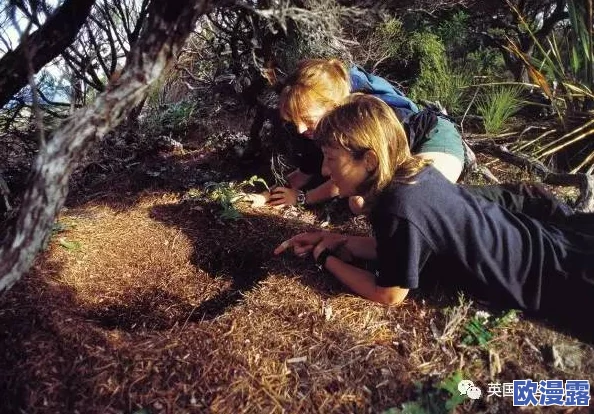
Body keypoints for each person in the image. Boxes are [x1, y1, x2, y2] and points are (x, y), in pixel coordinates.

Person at [274, 94, 594, 336]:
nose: (323, 170)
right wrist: (338, 239)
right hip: (550, 245)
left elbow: (387, 294)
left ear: (369, 161)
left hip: (559, 282)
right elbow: (407, 245)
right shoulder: (413, 176)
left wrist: (325, 260)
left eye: (331, 158)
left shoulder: (398, 206)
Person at [267, 59, 465, 212]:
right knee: (359, 202)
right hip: (397, 155)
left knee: (406, 200)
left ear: (332, 105)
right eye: (295, 121)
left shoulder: (359, 117)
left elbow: (346, 174)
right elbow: (302, 175)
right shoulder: (320, 131)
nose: (301, 129)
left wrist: (303, 198)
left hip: (430, 137)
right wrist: (266, 196)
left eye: (308, 119)